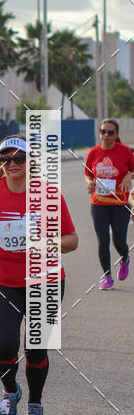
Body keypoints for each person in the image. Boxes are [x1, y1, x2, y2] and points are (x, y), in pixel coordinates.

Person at [0, 136, 78, 415]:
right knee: (4, 345)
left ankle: (35, 404)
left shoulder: (49, 194)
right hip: (3, 280)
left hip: (46, 280)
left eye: (19, 158)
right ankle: (10, 390)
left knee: (37, 349)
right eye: (5, 158)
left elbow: (72, 240)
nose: (12, 163)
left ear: (31, 161)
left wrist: (46, 243)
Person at [84, 119, 134, 289]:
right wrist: (89, 182)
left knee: (119, 240)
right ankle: (107, 277)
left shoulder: (125, 151)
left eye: (110, 132)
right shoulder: (93, 152)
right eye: (103, 131)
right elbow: (88, 174)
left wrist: (129, 176)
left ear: (117, 134)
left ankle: (125, 258)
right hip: (98, 203)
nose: (106, 135)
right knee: (103, 240)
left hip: (121, 203)